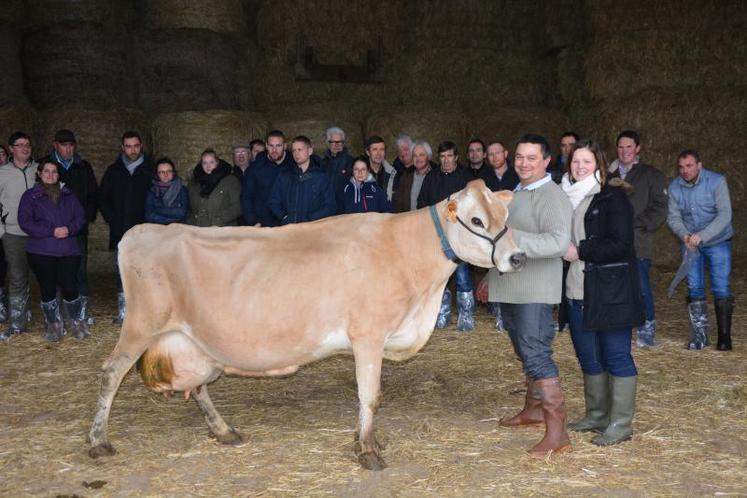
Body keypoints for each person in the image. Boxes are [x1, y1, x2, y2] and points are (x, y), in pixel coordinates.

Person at [487, 134, 572, 458]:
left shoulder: (551, 196)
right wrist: (492, 275)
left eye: (531, 158)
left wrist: (512, 237)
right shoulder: (516, 193)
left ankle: (558, 433)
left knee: (536, 353)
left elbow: (558, 243)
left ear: (546, 161)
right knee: (523, 350)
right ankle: (534, 409)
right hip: (512, 287)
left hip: (535, 290)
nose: (523, 163)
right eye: (520, 157)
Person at [561, 139, 641, 446]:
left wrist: (580, 250)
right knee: (588, 356)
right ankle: (597, 414)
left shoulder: (612, 197)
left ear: (599, 165)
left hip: (609, 291)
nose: (580, 167)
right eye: (575, 162)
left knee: (616, 355)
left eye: (587, 162)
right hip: (577, 288)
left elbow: (621, 244)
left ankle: (620, 423)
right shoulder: (567, 196)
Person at [667, 149, 734, 351]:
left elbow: (724, 215)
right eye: (681, 167)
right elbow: (673, 218)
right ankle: (700, 336)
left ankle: (724, 337)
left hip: (718, 241)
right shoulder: (674, 188)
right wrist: (684, 235)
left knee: (720, 286)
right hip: (690, 244)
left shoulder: (717, 182)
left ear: (699, 165)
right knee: (694, 287)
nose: (685, 171)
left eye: (689, 166)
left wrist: (702, 235)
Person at [608, 130, 668, 348]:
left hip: (638, 240)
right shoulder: (609, 174)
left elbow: (660, 207)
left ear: (638, 148)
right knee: (614, 285)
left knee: (640, 286)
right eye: (621, 147)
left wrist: (637, 225)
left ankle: (647, 329)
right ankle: (620, 326)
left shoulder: (651, 174)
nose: (625, 151)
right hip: (612, 241)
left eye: (629, 147)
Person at [18, 160, 88, 341]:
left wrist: (70, 229)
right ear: (39, 174)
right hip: (41, 251)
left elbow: (80, 217)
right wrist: (51, 231)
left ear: (58, 175)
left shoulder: (69, 195)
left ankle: (76, 322)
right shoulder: (30, 196)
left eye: (54, 172)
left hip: (68, 250)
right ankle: (54, 325)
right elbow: (25, 221)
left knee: (70, 286)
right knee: (47, 288)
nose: (50, 175)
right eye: (46, 171)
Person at [39, 129, 98, 325]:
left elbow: (92, 196)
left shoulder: (83, 166)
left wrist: (85, 219)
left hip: (77, 230)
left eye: (71, 145)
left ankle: (80, 314)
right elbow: (37, 198)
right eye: (63, 145)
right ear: (55, 145)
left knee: (79, 271)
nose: (67, 149)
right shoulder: (47, 166)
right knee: (54, 273)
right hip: (52, 233)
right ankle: (55, 318)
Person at [417, 141, 476, 331]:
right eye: (442, 156)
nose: (446, 160)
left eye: (450, 156)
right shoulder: (431, 178)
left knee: (462, 275)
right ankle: (441, 312)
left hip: (460, 237)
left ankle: (466, 314)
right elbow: (422, 204)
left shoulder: (467, 178)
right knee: (438, 277)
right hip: (436, 236)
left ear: (456, 157)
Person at [99, 131, 154, 324]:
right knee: (123, 270)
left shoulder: (150, 169)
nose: (133, 150)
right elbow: (103, 198)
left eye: (136, 146)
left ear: (141, 146)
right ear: (122, 148)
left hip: (145, 232)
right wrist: (112, 220)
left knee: (146, 270)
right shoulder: (113, 171)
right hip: (121, 230)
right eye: (128, 146)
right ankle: (124, 312)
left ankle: (145, 311)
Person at [477, 140, 520, 331]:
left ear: (506, 153)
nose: (495, 157)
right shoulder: (483, 179)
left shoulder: (518, 175)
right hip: (493, 231)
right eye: (490, 154)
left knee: (513, 267)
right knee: (496, 268)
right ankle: (500, 311)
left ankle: (514, 310)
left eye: (498, 153)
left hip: (515, 228)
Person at [0, 132, 38, 340]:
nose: (25, 148)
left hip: (39, 235)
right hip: (13, 234)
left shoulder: (39, 170)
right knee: (17, 278)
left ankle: (54, 320)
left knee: (47, 276)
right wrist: (2, 231)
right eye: (20, 145)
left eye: (28, 144)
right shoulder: (2, 173)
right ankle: (17, 323)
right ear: (11, 148)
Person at [268, 136, 335, 225]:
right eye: (294, 150)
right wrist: (284, 216)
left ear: (310, 151)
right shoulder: (284, 176)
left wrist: (310, 219)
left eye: (300, 150)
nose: (296, 153)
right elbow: (273, 201)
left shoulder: (321, 178)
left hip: (313, 230)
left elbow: (330, 206)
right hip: (289, 229)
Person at [241, 130, 294, 227]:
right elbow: (246, 197)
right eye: (271, 145)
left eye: (278, 146)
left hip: (288, 223)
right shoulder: (256, 168)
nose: (274, 150)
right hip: (262, 224)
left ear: (285, 146)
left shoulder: (294, 164)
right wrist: (253, 221)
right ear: (266, 146)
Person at [186, 149, 241, 227]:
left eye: (211, 162)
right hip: (198, 228)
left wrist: (219, 219)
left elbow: (238, 206)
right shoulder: (194, 182)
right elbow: (188, 206)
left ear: (217, 162)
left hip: (222, 228)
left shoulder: (230, 181)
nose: (208, 166)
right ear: (201, 164)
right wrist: (191, 220)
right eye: (205, 163)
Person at [145, 158, 189, 225]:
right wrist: (172, 219)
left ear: (173, 172)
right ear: (157, 174)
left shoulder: (182, 190)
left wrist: (157, 209)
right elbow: (149, 215)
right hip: (157, 230)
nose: (166, 174)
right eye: (162, 172)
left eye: (169, 171)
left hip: (177, 231)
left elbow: (181, 213)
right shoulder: (152, 191)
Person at [391, 139, 431, 213]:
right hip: (409, 221)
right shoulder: (406, 177)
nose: (418, 159)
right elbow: (398, 204)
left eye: (421, 155)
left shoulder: (437, 176)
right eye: (415, 156)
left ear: (429, 157)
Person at [322, 126, 353, 197]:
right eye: (333, 142)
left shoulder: (351, 162)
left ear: (343, 143)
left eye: (340, 142)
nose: (337, 145)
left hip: (344, 205)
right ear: (328, 143)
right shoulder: (322, 164)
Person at [364, 136, 396, 201]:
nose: (379, 153)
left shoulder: (392, 173)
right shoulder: (359, 173)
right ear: (368, 152)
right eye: (375, 149)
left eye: (382, 149)